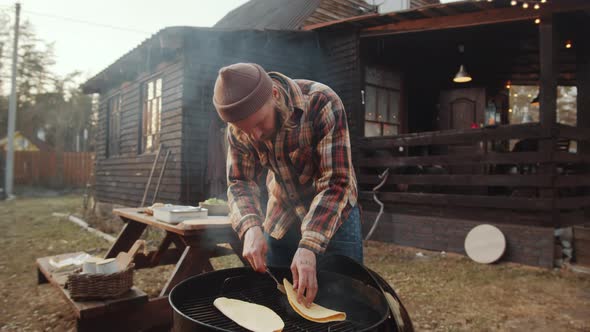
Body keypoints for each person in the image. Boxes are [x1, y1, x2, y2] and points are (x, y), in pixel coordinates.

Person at [212, 63, 362, 307]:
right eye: (245, 129)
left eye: (260, 123)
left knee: (346, 303)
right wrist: (250, 226)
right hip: (283, 218)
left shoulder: (322, 102)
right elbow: (240, 182)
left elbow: (336, 183)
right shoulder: (239, 126)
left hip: (334, 216)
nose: (255, 136)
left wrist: (309, 246)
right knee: (281, 303)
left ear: (274, 94)